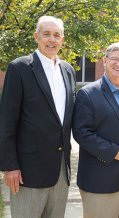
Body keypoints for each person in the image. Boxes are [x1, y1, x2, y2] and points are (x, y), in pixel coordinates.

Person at [0, 16, 76, 218]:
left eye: (57, 35)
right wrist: (10, 166)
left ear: (62, 40)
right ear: (36, 37)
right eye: (47, 34)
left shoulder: (68, 70)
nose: (52, 40)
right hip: (27, 171)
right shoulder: (20, 68)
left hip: (61, 171)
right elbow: (6, 121)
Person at [72, 42, 119, 218]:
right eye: (114, 59)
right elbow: (82, 133)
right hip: (100, 181)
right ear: (104, 61)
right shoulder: (88, 94)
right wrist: (113, 152)